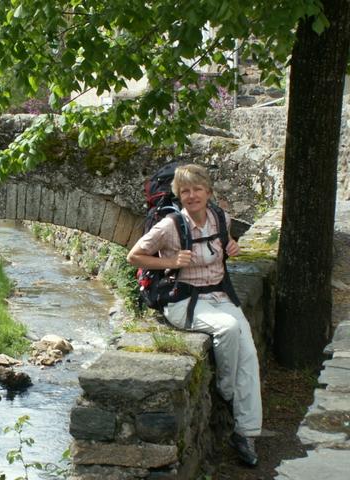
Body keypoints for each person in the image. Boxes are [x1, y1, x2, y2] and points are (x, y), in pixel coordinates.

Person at [126, 164, 262, 467]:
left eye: (197, 189)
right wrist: (172, 260)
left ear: (208, 192)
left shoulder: (219, 218)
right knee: (227, 329)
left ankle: (246, 432)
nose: (191, 195)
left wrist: (232, 246)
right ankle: (226, 392)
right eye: (184, 190)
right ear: (179, 194)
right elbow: (134, 255)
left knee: (249, 355)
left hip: (220, 294)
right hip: (184, 300)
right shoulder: (170, 226)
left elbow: (223, 246)